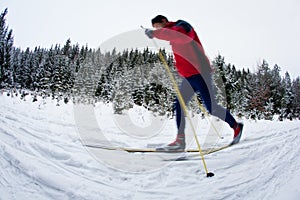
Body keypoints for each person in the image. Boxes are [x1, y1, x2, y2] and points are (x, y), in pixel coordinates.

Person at [144, 15, 243, 151]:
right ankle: (180, 141)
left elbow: (181, 36)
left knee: (211, 107)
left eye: (157, 27)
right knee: (178, 104)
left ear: (163, 21)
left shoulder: (182, 26)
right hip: (189, 77)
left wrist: (155, 33)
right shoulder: (170, 35)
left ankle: (236, 126)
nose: (157, 30)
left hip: (201, 73)